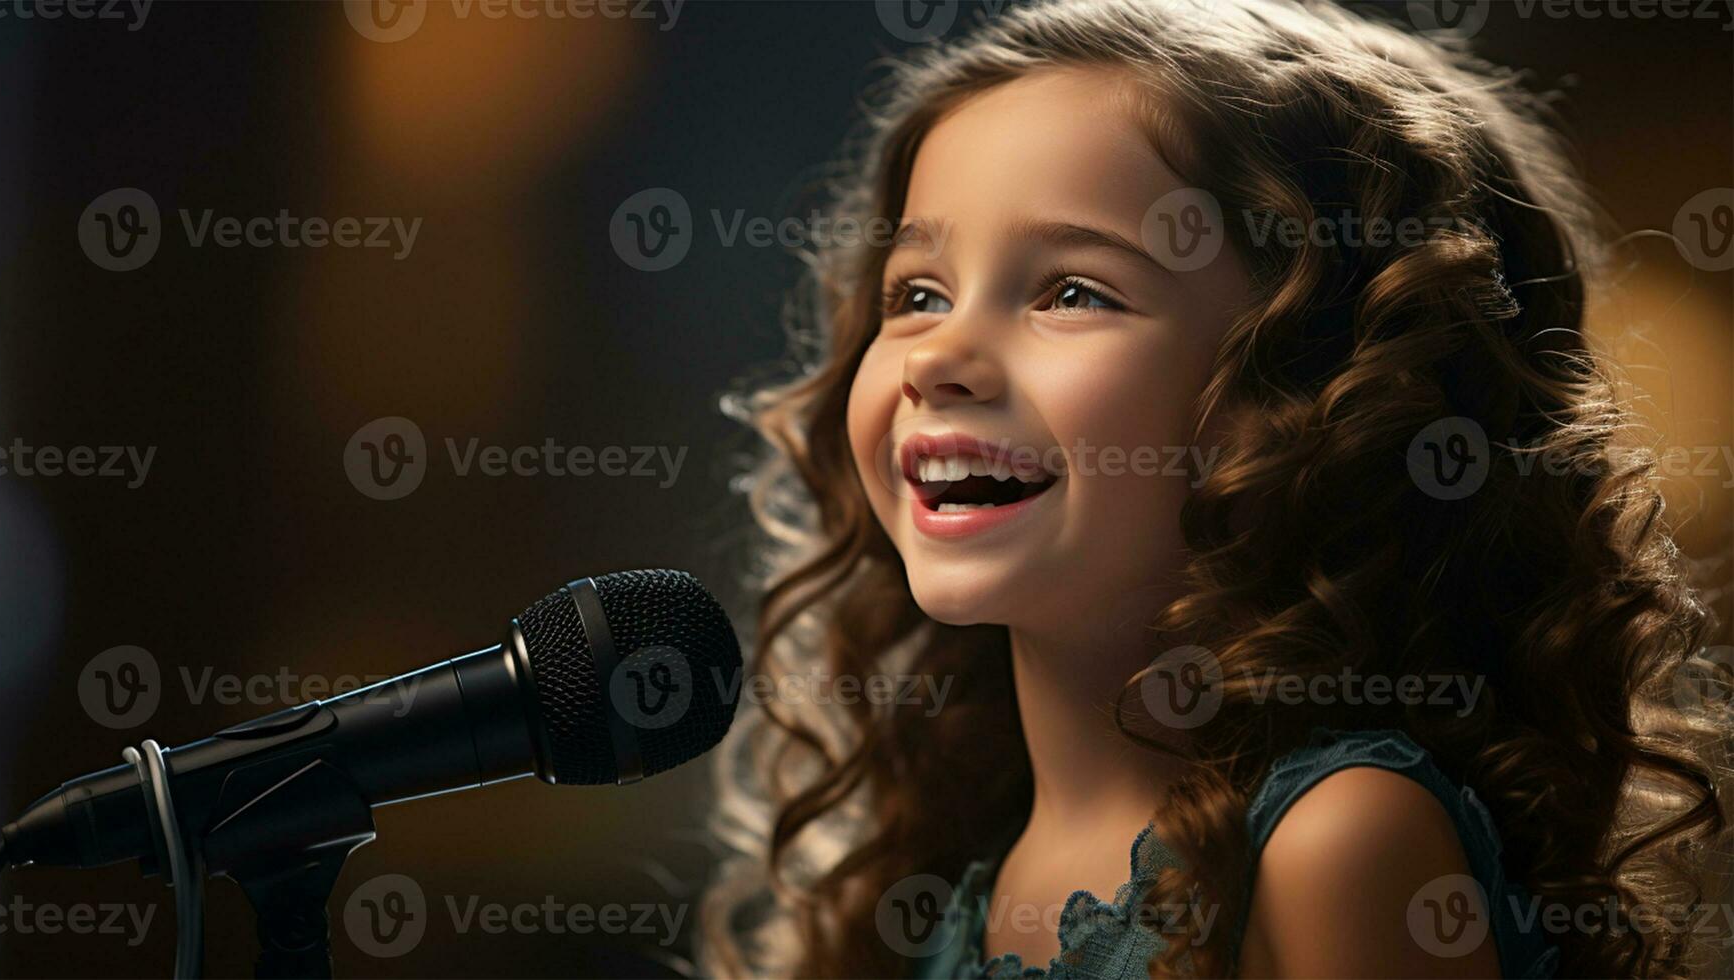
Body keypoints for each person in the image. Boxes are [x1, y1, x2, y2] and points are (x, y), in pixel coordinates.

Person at [701, 1, 1729, 976]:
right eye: (917, 294)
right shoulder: (942, 854)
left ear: (1308, 392)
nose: (939, 358)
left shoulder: (1338, 842)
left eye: (1071, 290)